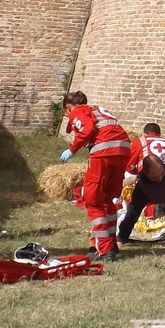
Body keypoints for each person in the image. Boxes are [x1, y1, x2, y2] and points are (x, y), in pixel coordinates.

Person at [60, 91, 132, 262]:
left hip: (103, 152)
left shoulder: (78, 111)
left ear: (67, 108)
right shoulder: (99, 109)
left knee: (91, 200)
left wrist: (72, 149)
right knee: (107, 200)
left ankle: (105, 248)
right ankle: (110, 244)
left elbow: (87, 128)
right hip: (122, 151)